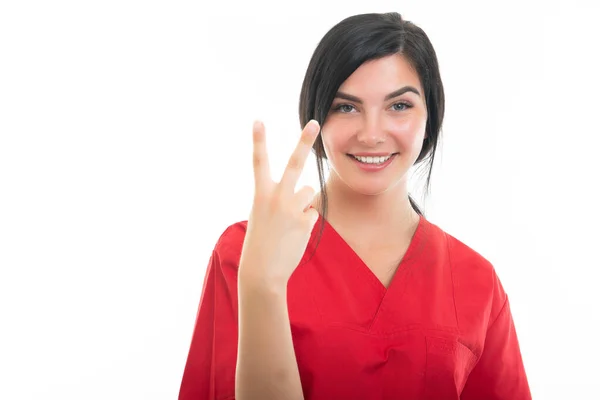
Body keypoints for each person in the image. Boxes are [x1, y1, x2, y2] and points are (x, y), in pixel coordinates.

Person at [178, 12, 532, 400]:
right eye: (346, 107)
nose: (372, 134)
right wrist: (263, 286)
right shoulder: (247, 250)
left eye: (399, 106)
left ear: (429, 117)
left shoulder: (476, 282)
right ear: (315, 117)